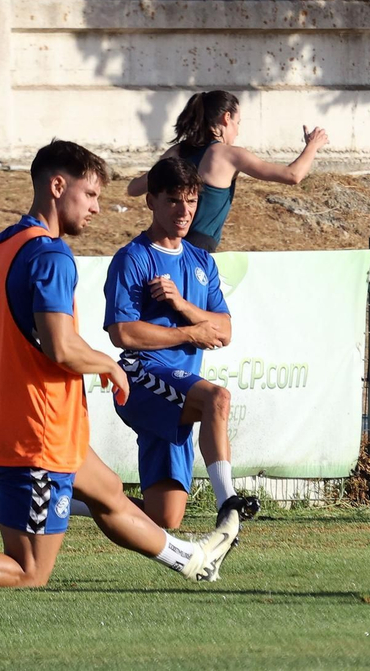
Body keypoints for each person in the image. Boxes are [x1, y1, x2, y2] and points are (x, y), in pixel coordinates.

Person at [0, 141, 241, 589]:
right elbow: (60, 346)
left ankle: (191, 559)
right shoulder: (51, 254)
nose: (97, 207)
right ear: (58, 186)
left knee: (110, 494)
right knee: (29, 571)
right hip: (42, 430)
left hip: (43, 425)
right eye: (90, 195)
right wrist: (108, 366)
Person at [102, 156, 258, 529]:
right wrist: (190, 332)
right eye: (174, 200)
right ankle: (228, 503)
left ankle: (74, 497)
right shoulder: (132, 258)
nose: (185, 210)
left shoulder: (201, 260)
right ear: (151, 201)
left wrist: (181, 305)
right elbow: (122, 333)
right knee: (217, 398)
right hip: (142, 378)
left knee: (165, 518)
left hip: (179, 387)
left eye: (191, 200)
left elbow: (224, 331)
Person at [127, 91, 327, 253]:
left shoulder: (177, 152)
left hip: (164, 245)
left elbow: (134, 188)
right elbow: (293, 175)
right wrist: (312, 145)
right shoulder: (230, 155)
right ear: (227, 117)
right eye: (238, 123)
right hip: (199, 248)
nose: (238, 131)